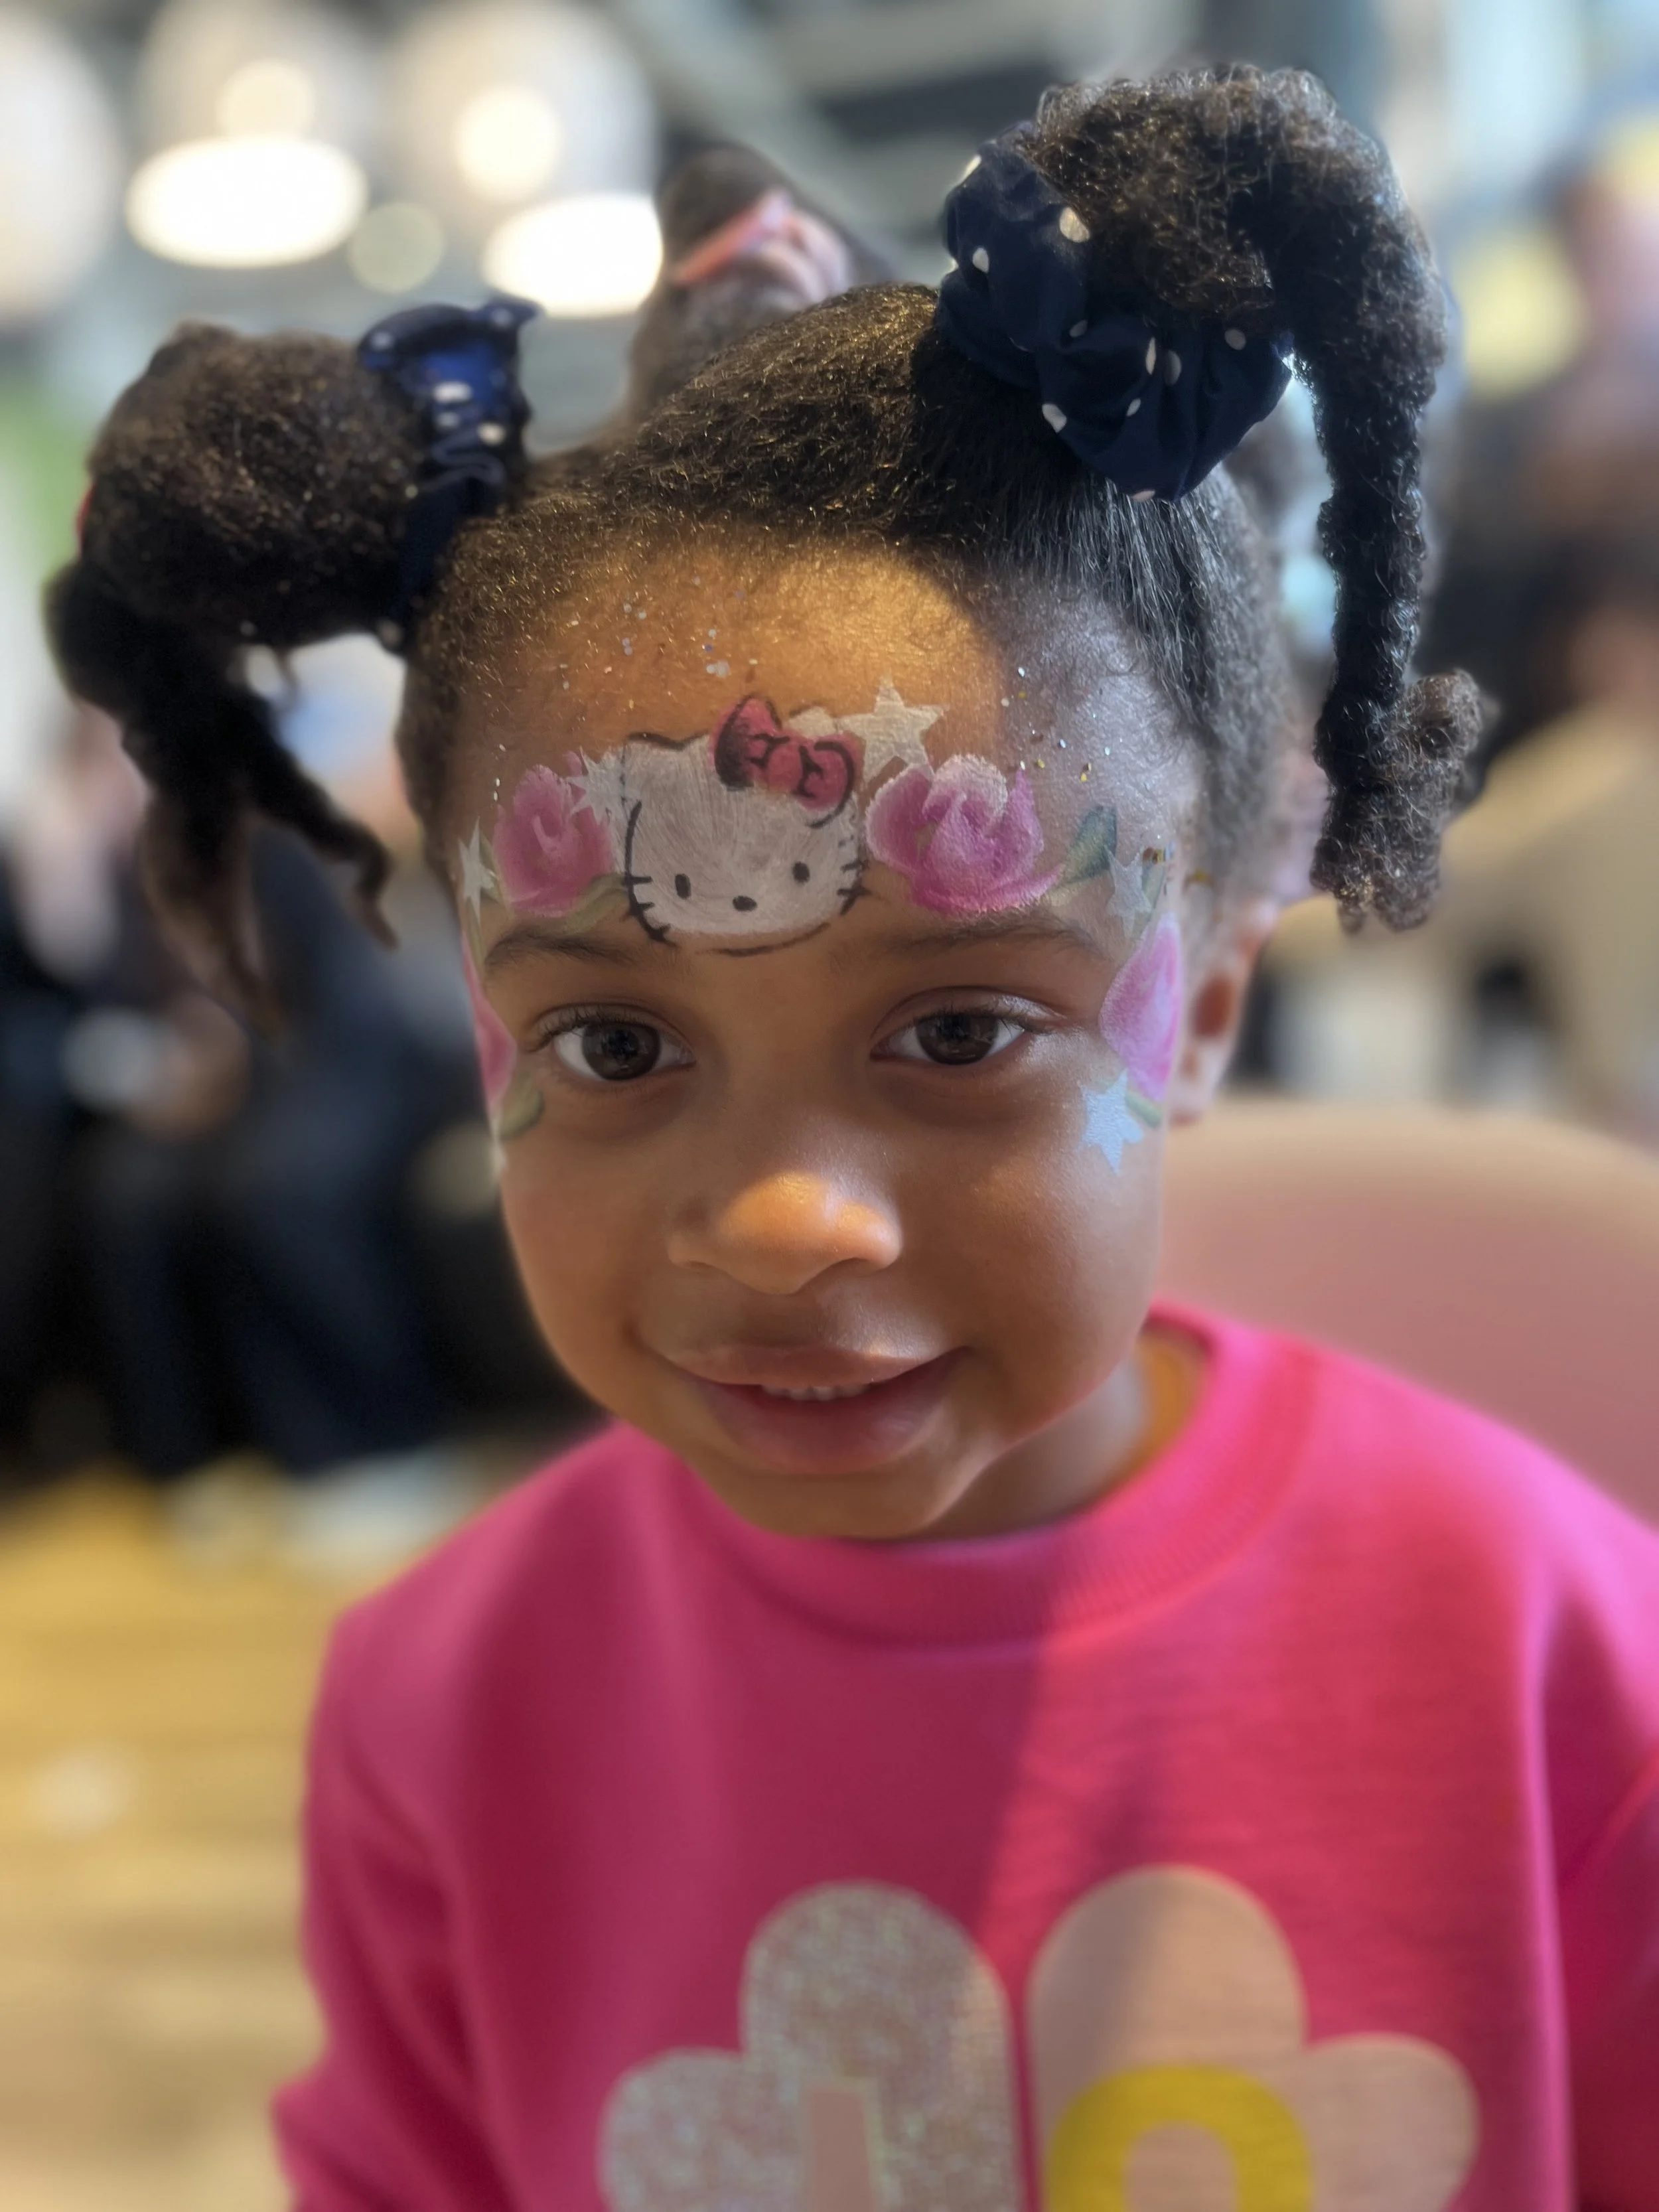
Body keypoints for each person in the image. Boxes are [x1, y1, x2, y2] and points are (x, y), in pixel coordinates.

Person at [46, 66, 1659, 2212]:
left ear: (1212, 1003)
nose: (785, 1215)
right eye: (615, 1045)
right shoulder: (443, 1711)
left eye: (964, 1022)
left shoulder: (1555, 1652)